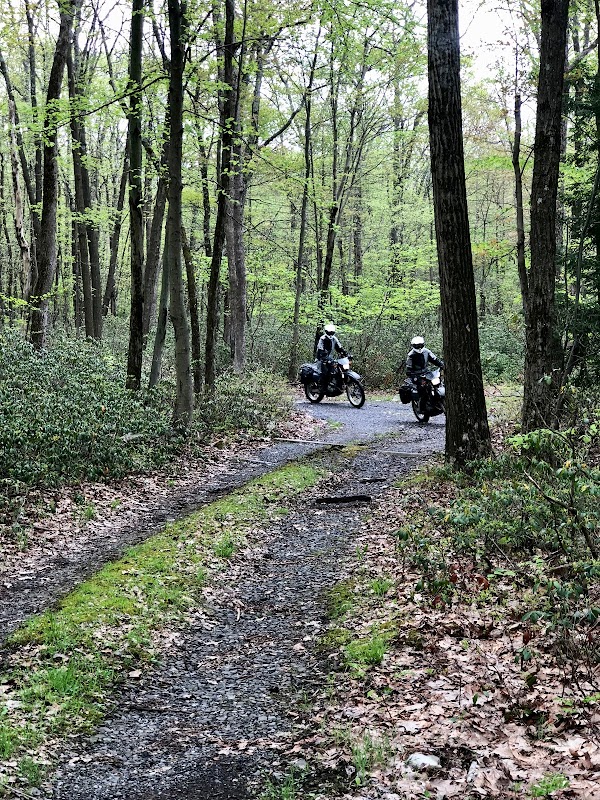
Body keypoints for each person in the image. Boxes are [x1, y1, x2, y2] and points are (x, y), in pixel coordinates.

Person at [405, 335, 444, 405]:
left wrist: (441, 365)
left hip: (426, 372)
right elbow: (409, 367)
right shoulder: (411, 355)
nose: (419, 347)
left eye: (420, 345)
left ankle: (436, 399)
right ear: (413, 346)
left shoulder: (427, 351)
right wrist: (411, 374)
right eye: (417, 346)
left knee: (436, 382)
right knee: (422, 388)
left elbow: (434, 360)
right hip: (416, 374)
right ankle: (422, 405)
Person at [316, 323, 347, 391]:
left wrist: (345, 354)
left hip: (330, 359)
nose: (330, 334)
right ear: (326, 331)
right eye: (329, 332)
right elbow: (320, 351)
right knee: (326, 373)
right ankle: (323, 388)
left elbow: (339, 348)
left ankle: (336, 385)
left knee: (336, 371)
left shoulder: (334, 339)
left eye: (332, 332)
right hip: (321, 359)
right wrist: (325, 358)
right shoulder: (322, 339)